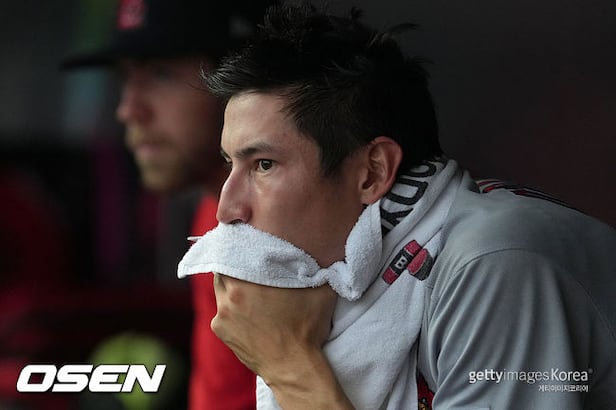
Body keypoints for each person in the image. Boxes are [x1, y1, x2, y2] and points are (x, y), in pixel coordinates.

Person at [184, 2, 616, 409]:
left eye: (263, 165)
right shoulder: (362, 272)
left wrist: (288, 366)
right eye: (230, 164)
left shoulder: (495, 263)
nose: (227, 209)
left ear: (372, 172)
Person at [62, 0, 270, 408]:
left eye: (160, 74)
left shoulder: (285, 228)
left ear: (241, 81)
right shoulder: (214, 209)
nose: (128, 110)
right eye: (126, 78)